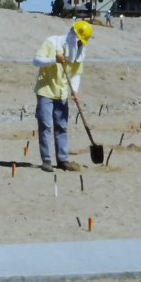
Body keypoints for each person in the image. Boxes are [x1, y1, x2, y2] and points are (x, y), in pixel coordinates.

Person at [32, 20, 93, 172]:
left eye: (82, 42)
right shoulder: (52, 43)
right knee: (46, 126)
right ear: (73, 35)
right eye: (79, 41)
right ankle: (46, 160)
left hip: (62, 94)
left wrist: (75, 90)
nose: (80, 44)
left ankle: (62, 160)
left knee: (62, 126)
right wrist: (54, 59)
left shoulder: (78, 52)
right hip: (45, 91)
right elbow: (36, 61)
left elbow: (76, 73)